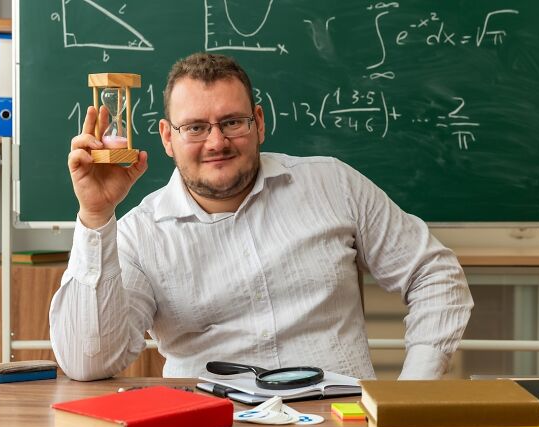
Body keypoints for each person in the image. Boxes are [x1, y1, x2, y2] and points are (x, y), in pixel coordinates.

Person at [49, 52, 473, 381]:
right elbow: (90, 362)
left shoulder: (333, 184)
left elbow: (433, 273)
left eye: (232, 122)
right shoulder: (139, 234)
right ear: (167, 138)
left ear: (259, 122)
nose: (217, 142)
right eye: (195, 127)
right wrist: (96, 214)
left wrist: (414, 392)